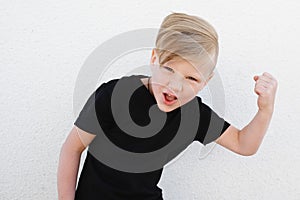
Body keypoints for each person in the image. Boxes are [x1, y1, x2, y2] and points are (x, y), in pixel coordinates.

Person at [57, 12, 277, 199]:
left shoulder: (194, 116)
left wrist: (265, 110)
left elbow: (243, 144)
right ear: (154, 59)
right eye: (169, 70)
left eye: (192, 79)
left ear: (206, 82)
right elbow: (72, 148)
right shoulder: (115, 95)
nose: (176, 86)